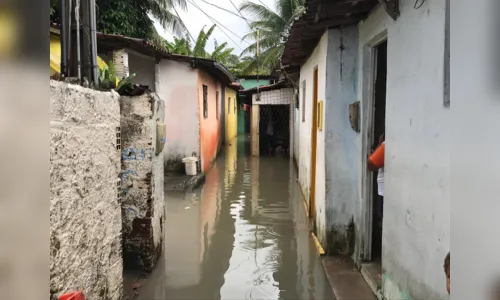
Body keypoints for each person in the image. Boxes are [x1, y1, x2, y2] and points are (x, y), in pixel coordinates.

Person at [368, 133, 385, 222]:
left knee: (383, 217)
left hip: (384, 192)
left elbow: (370, 165)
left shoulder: (385, 145)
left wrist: (379, 144)